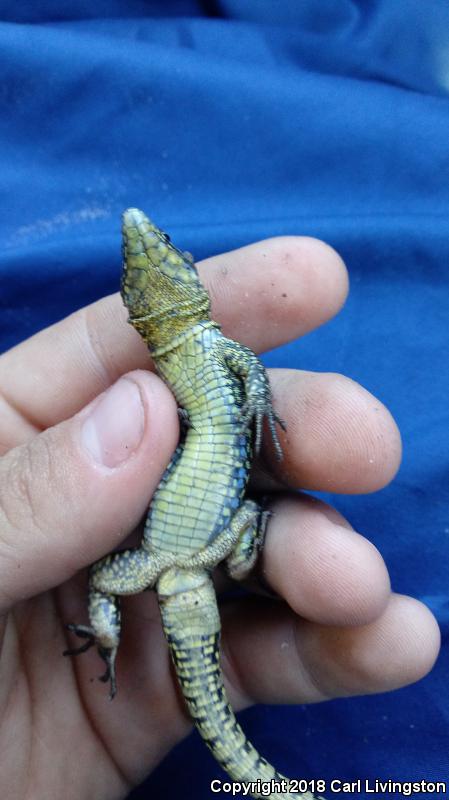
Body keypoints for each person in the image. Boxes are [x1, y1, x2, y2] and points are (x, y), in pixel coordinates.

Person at [0, 235, 439, 799]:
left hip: (169, 554)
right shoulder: (188, 352)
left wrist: (256, 402)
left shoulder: (198, 347)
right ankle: (111, 636)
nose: (153, 259)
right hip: (204, 547)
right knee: (243, 532)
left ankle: (113, 635)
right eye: (140, 278)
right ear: (139, 309)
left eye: (165, 254)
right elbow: (247, 372)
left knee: (115, 577)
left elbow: (252, 374)